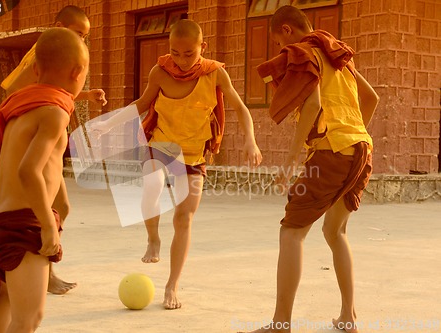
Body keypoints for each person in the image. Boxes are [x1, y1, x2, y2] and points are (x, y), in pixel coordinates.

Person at [90, 19, 262, 309]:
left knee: (184, 218)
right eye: (175, 52)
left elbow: (241, 108)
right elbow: (142, 104)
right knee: (152, 186)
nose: (181, 60)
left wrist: (251, 140)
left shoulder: (215, 74)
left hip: (194, 156)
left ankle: (172, 286)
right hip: (161, 145)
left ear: (202, 47)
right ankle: (153, 239)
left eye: (189, 54)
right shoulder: (160, 71)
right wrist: (108, 125)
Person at [0, 5, 106, 295]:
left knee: (63, 207)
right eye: (78, 33)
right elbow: (19, 90)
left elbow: (48, 86)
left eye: (85, 36)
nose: (82, 40)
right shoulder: (43, 51)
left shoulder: (58, 64)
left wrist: (85, 95)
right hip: (28, 136)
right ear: (58, 26)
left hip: (38, 132)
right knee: (11, 206)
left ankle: (47, 263)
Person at [241, 6, 379, 333]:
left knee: (291, 231)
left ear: (287, 31)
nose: (280, 52)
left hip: (332, 152)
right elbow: (371, 99)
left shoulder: (303, 54)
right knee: (335, 232)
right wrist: (352, 137)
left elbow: (314, 105)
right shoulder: (338, 56)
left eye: (277, 42)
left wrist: (291, 160)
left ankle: (280, 324)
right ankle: (348, 317)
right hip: (362, 148)